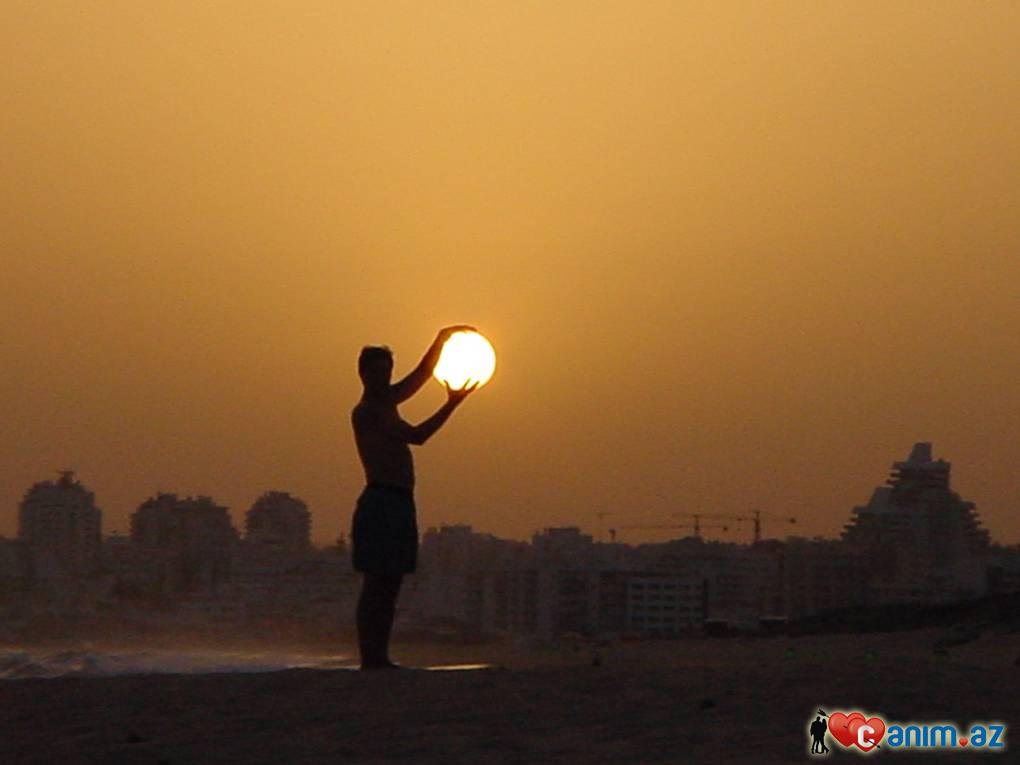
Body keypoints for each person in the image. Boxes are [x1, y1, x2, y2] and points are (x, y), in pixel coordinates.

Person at [350, 326, 480, 670]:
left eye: (387, 372)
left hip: (399, 501)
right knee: (376, 583)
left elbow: (421, 374)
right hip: (381, 501)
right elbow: (417, 436)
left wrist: (442, 338)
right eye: (377, 372)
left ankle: (380, 657)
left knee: (390, 583)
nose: (383, 378)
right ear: (363, 374)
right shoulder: (368, 411)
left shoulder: (388, 401)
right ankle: (371, 658)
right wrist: (451, 404)